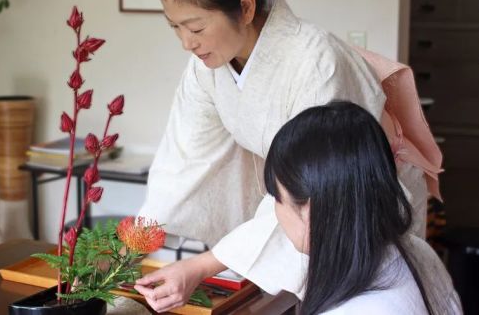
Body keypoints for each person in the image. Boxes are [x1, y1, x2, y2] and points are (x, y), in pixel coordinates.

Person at [135, 0, 442, 311]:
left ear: (245, 8)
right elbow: (184, 162)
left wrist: (201, 266)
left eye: (196, 27)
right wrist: (134, 243)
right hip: (297, 202)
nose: (187, 43)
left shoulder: (316, 60)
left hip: (359, 202)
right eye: (175, 27)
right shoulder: (205, 70)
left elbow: (319, 188)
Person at [137, 103, 460, 314]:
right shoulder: (414, 251)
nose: (274, 213)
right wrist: (197, 268)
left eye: (277, 198)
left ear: (313, 211)